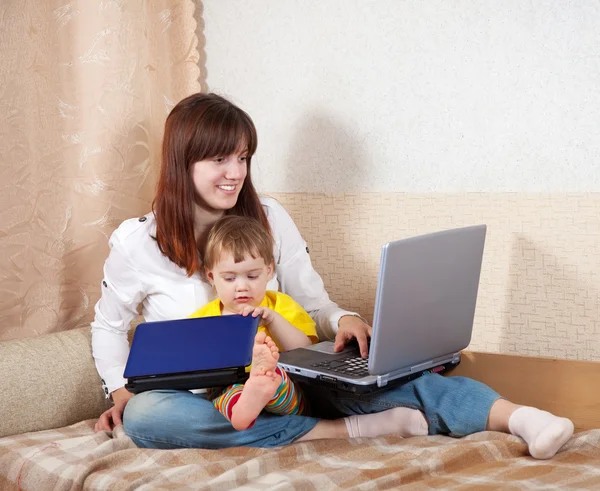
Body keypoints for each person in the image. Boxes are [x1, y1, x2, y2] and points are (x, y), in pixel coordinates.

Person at [91, 92, 574, 460]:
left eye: (242, 158)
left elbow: (313, 305)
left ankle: (524, 418)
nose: (235, 172)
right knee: (148, 416)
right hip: (210, 397)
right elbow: (109, 326)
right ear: (183, 162)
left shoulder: (271, 217)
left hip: (290, 377)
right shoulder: (138, 243)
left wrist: (344, 319)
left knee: (393, 379)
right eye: (219, 159)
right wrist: (120, 390)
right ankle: (343, 430)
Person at [190, 214, 317, 430]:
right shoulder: (204, 318)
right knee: (227, 395)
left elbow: (304, 350)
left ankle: (262, 383)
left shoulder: (279, 304)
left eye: (251, 276)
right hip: (230, 385)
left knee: (277, 378)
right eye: (230, 279)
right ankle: (247, 403)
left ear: (268, 271)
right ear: (211, 277)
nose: (241, 287)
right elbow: (189, 361)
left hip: (281, 382)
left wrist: (274, 320)